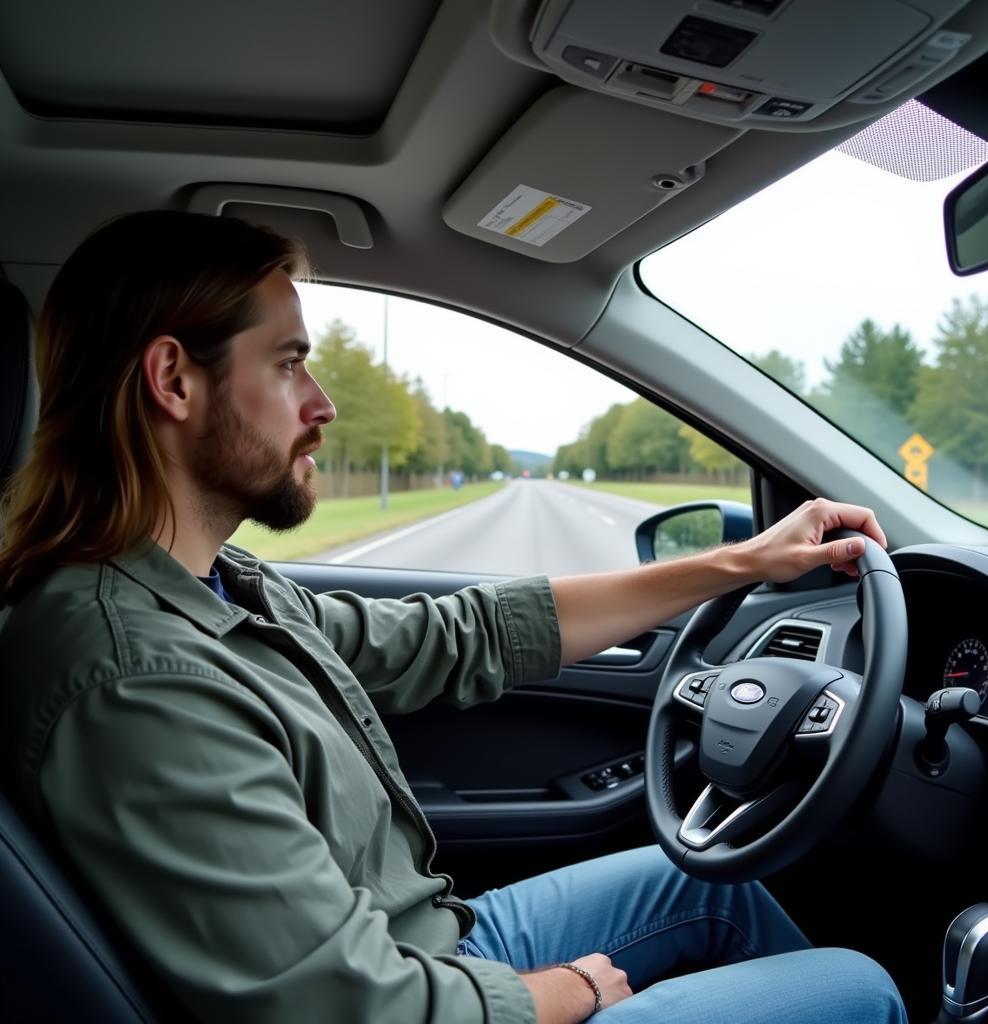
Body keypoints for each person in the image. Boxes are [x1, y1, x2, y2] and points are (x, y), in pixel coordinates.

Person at [0, 211, 907, 1024]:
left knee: (713, 882)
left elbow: (455, 636)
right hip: (404, 992)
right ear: (173, 381)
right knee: (859, 987)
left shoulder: (219, 588)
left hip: (430, 950)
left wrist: (742, 564)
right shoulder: (138, 676)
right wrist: (572, 989)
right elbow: (350, 1008)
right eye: (287, 364)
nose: (322, 406)